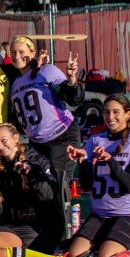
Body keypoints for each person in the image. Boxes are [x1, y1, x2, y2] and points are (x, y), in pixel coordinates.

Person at [67, 94, 130, 257]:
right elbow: (87, 184)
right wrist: (82, 161)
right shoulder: (95, 140)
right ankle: (104, 244)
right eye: (106, 112)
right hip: (101, 213)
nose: (110, 117)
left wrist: (110, 161)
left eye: (116, 112)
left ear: (127, 114)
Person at [9, 35, 83, 189]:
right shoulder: (15, 83)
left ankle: (67, 213)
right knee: (39, 189)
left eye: (21, 52)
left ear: (33, 52)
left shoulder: (46, 70)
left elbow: (73, 99)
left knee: (58, 185)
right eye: (13, 52)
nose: (17, 56)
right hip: (36, 143)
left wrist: (71, 79)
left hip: (61, 136)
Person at [0, 123, 62, 253]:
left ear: (16, 137)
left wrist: (31, 175)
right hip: (10, 225)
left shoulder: (36, 160)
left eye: (4, 140)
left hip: (38, 226)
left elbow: (48, 196)